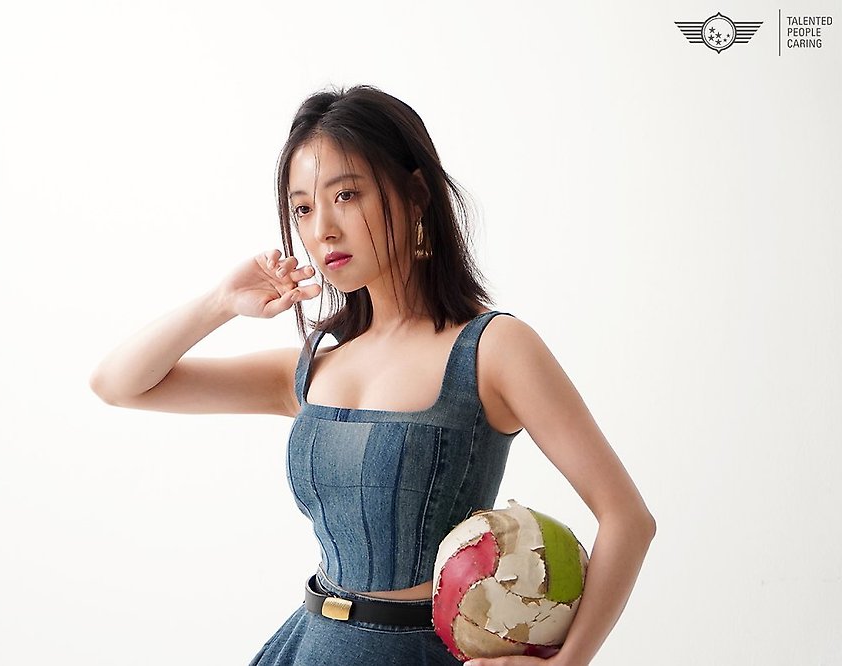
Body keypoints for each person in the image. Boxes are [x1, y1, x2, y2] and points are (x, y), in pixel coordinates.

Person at [89, 85, 655, 665]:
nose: (322, 230)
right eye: (303, 208)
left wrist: (568, 663)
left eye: (346, 195)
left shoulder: (492, 349)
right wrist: (220, 302)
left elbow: (627, 519)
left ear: (416, 194)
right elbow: (118, 384)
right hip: (310, 645)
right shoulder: (314, 366)